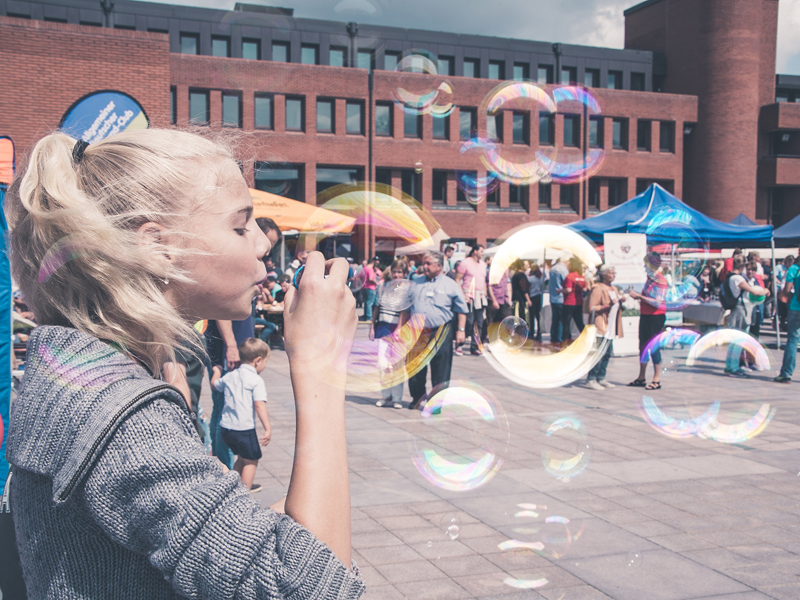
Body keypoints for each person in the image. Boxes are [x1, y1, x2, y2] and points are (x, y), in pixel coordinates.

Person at [5, 130, 364, 597]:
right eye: (240, 226)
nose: (261, 243)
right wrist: (320, 365)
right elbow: (313, 589)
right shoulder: (125, 419)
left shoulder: (73, 379)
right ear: (156, 245)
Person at [408, 251, 468, 409]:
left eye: (428, 263)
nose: (424, 266)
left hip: (441, 331)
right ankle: (417, 398)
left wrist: (461, 330)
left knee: (441, 370)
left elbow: (462, 309)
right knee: (415, 368)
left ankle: (436, 403)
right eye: (424, 263)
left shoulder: (451, 285)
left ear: (439, 266)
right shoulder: (415, 282)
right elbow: (405, 308)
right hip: (418, 332)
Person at [211, 338, 272, 492]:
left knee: (242, 458)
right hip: (243, 429)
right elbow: (259, 404)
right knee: (251, 461)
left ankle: (231, 488)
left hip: (226, 428)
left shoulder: (231, 375)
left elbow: (215, 385)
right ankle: (244, 494)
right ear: (257, 361)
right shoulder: (256, 380)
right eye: (265, 361)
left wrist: (216, 371)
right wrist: (267, 428)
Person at [369, 259, 412, 408]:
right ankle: (385, 395)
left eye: (400, 272)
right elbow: (376, 307)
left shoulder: (407, 290)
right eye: (394, 271)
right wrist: (372, 326)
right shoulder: (383, 287)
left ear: (405, 274)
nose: (396, 274)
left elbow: (404, 310)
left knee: (398, 365)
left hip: (398, 330)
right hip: (382, 328)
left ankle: (397, 398)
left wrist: (399, 328)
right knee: (382, 364)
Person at [628, 252, 668, 390]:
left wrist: (639, 296)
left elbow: (657, 302)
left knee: (653, 347)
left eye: (646, 264)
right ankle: (641, 377)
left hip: (655, 316)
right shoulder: (650, 279)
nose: (644, 267)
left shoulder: (660, 281)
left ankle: (656, 379)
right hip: (645, 314)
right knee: (643, 346)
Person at [724, 256, 769, 377]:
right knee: (739, 340)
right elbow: (754, 292)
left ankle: (729, 365)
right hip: (741, 310)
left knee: (734, 340)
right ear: (743, 266)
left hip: (736, 310)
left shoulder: (729, 276)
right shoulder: (737, 278)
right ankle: (733, 367)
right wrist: (765, 290)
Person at [585, 264, 624, 390]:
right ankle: (591, 379)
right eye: (611, 273)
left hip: (610, 326)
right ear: (603, 274)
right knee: (598, 353)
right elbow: (591, 308)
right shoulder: (597, 288)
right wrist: (606, 306)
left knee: (607, 353)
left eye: (614, 273)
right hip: (600, 325)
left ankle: (601, 377)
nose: (613, 275)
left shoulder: (614, 289)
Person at [455, 245, 488, 356]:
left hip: (480, 296)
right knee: (468, 321)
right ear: (475, 251)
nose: (483, 253)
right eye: (481, 251)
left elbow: (483, 280)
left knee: (479, 323)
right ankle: (459, 344)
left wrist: (485, 293)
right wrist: (462, 294)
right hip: (468, 295)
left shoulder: (483, 265)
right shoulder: (465, 263)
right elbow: (457, 279)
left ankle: (474, 347)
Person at [776, 249, 800, 383]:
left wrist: (790, 297)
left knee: (792, 341)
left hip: (796, 308)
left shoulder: (794, 269)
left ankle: (786, 374)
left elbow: (786, 290)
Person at [561, 258, 586, 344]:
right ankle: (586, 338)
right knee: (579, 322)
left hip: (569, 302)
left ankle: (566, 341)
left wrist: (560, 290)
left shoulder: (570, 276)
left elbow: (568, 289)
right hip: (579, 302)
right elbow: (585, 289)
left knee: (566, 323)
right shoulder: (581, 277)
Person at [548, 258, 569, 348]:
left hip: (553, 297)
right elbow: (567, 281)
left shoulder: (553, 268)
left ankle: (553, 339)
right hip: (561, 297)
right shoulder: (563, 269)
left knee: (555, 320)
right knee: (561, 320)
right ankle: (559, 340)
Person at [510, 259, 531, 325]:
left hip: (515, 298)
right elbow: (524, 288)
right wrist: (528, 299)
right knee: (521, 315)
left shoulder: (514, 275)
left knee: (516, 316)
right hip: (520, 299)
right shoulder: (521, 275)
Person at [776, 255, 794, 332]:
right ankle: (783, 324)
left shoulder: (792, 270)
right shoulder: (784, 270)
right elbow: (783, 283)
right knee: (783, 311)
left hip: (791, 294)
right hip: (784, 293)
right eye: (789, 262)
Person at [527, 263, 544, 342]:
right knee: (538, 316)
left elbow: (528, 288)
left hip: (532, 297)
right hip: (539, 296)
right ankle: (539, 333)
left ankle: (532, 333)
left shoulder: (530, 278)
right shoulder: (540, 278)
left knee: (531, 316)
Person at [362, 255, 381, 322]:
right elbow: (370, 278)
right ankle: (368, 317)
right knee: (370, 303)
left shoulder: (364, 268)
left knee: (367, 302)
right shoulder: (370, 269)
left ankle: (366, 316)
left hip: (365, 287)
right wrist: (376, 283)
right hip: (371, 287)